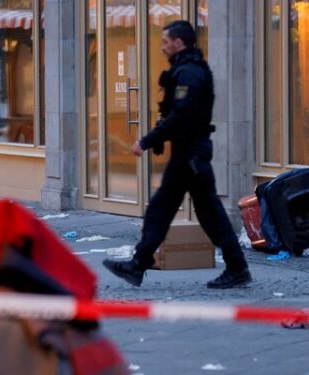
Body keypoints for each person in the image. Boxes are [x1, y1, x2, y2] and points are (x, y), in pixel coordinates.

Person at [102, 20, 252, 289]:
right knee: (162, 209)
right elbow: (177, 116)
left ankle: (237, 268)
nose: (162, 47)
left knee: (208, 214)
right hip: (186, 154)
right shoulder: (185, 70)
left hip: (192, 155)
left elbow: (181, 115)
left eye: (165, 42)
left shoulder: (190, 74)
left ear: (178, 43)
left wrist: (148, 140)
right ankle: (138, 263)